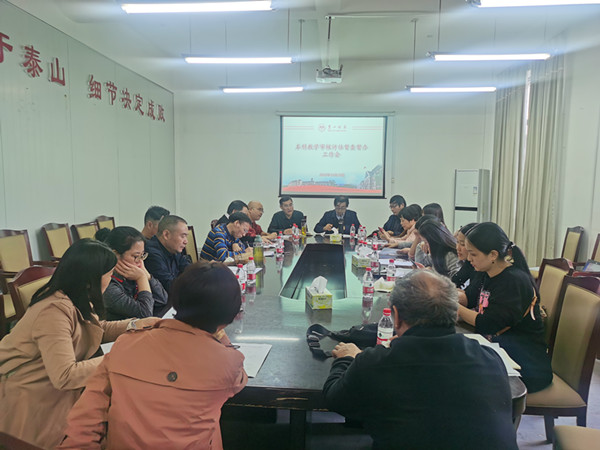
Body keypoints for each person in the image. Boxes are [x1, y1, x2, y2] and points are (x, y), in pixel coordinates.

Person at [59, 261, 248, 449]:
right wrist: (220, 335)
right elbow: (239, 379)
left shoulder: (126, 343)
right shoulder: (228, 363)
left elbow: (85, 420)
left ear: (177, 300)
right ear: (228, 316)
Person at [323, 270, 518, 450]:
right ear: (456, 313)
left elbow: (334, 399)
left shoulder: (375, 363)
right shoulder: (490, 358)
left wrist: (347, 359)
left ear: (396, 317)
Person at [0, 239, 158, 449]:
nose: (111, 279)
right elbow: (66, 375)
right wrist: (121, 356)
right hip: (32, 398)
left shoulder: (76, 297)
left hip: (54, 386)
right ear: (91, 279)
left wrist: (135, 324)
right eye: (109, 274)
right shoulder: (53, 311)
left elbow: (94, 329)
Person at [458, 222, 552, 393]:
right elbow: (469, 299)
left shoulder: (513, 281)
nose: (469, 259)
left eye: (473, 254)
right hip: (500, 351)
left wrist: (453, 306)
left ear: (493, 255)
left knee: (460, 381)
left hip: (524, 366)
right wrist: (442, 294)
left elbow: (488, 324)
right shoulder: (485, 272)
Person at [96, 227, 168, 320]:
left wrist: (147, 276)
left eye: (142, 255)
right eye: (136, 256)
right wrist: (141, 278)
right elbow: (145, 314)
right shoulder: (107, 285)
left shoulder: (132, 274)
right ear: (115, 255)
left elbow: (162, 299)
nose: (140, 261)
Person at [145, 215, 190, 292]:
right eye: (183, 236)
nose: (186, 241)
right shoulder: (152, 253)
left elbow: (190, 271)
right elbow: (170, 286)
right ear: (166, 235)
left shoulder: (173, 249)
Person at [452, 222, 478, 289]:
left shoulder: (481, 267)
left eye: (462, 244)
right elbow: (455, 281)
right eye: (457, 242)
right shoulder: (469, 263)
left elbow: (471, 293)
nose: (457, 248)